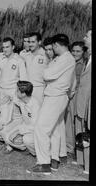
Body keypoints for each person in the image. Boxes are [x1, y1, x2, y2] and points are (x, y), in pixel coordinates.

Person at [27, 34, 75, 175]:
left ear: (57, 45)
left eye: (53, 46)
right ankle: (54, 160)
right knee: (53, 130)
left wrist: (46, 73)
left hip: (55, 97)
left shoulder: (66, 58)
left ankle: (44, 164)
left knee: (41, 129)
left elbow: (47, 75)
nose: (52, 49)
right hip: (54, 96)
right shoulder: (61, 59)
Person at [64, 41, 88, 154]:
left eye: (78, 51)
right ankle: (70, 146)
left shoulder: (84, 64)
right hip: (69, 94)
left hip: (77, 95)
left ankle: (73, 147)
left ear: (83, 52)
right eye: (73, 51)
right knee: (68, 121)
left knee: (76, 122)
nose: (75, 53)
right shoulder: (69, 62)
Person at [73, 30, 91, 174]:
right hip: (82, 101)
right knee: (83, 132)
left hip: (88, 101)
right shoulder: (89, 58)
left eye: (87, 36)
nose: (84, 37)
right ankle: (83, 163)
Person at [6, 81, 40, 155]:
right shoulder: (22, 100)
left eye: (17, 90)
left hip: (36, 131)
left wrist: (18, 132)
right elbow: (13, 98)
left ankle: (37, 153)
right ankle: (25, 148)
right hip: (25, 127)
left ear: (23, 94)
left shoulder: (35, 105)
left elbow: (35, 126)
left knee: (27, 139)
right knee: (8, 136)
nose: (15, 92)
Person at [0, 37, 28, 101]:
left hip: (13, 92)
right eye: (3, 47)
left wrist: (19, 94)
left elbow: (23, 79)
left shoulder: (19, 60)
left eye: (7, 47)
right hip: (1, 91)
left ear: (13, 47)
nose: (5, 49)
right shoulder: (0, 59)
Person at [22, 32, 49, 105]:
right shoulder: (26, 56)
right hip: (28, 89)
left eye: (33, 42)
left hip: (40, 90)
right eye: (29, 42)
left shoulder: (46, 55)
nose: (30, 44)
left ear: (39, 42)